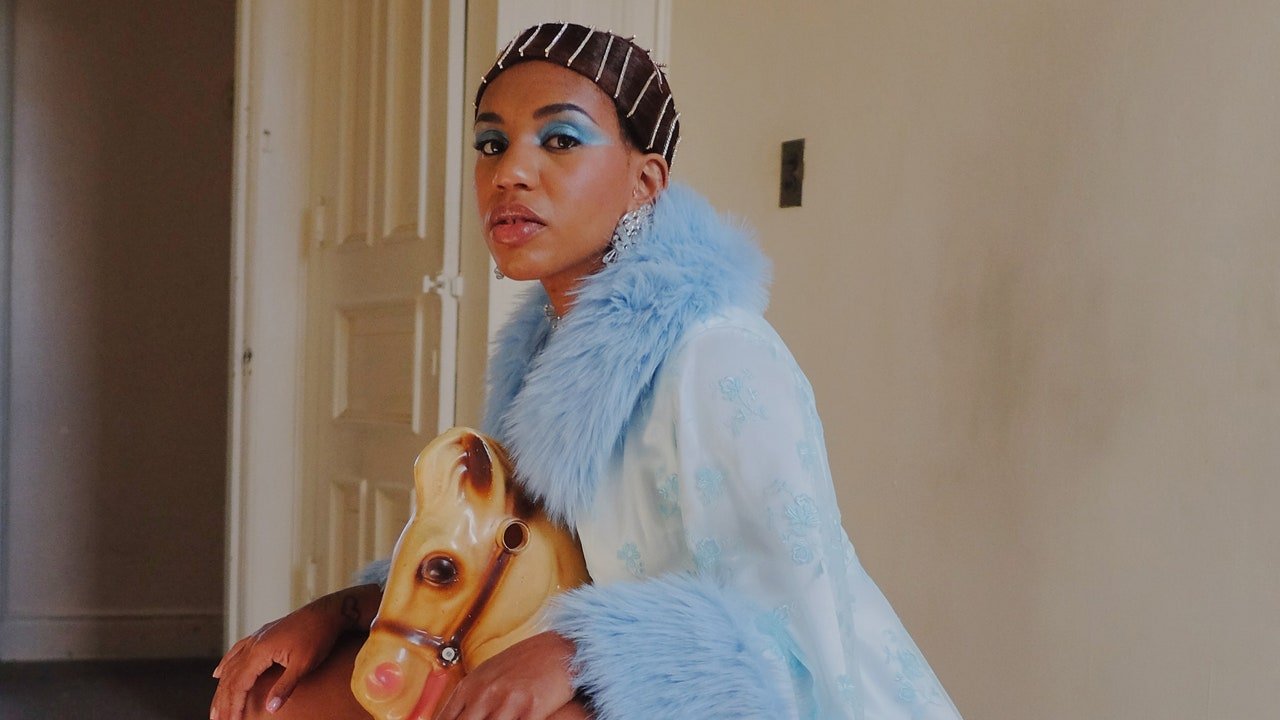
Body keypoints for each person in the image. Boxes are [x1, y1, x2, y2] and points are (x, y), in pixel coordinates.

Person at [210, 23, 963, 720]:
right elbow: (512, 555)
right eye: (491, 144)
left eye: (561, 139)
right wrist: (345, 610)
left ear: (646, 181)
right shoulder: (543, 353)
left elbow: (790, 636)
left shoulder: (718, 355)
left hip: (750, 697)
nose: (511, 173)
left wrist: (582, 649)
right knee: (280, 697)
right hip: (599, 672)